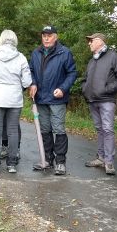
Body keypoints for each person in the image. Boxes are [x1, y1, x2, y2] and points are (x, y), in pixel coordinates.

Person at [29, 25, 77, 175]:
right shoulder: (36, 53)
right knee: (45, 130)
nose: (46, 38)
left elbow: (72, 73)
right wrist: (33, 83)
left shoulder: (65, 52)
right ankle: (47, 159)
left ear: (56, 37)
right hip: (40, 98)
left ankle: (60, 162)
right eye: (44, 35)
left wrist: (63, 88)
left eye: (49, 35)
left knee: (58, 129)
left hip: (57, 98)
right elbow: (30, 71)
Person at [0, 29, 32, 174]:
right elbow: (27, 81)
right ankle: (11, 163)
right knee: (12, 131)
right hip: (14, 99)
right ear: (15, 40)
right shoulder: (21, 57)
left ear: (1, 40)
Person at [81, 33, 117, 175]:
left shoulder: (113, 56)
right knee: (99, 129)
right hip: (92, 100)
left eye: (92, 41)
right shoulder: (91, 60)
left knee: (107, 129)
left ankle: (109, 161)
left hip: (106, 100)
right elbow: (85, 78)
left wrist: (106, 90)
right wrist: (85, 89)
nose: (89, 43)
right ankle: (100, 158)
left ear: (100, 42)